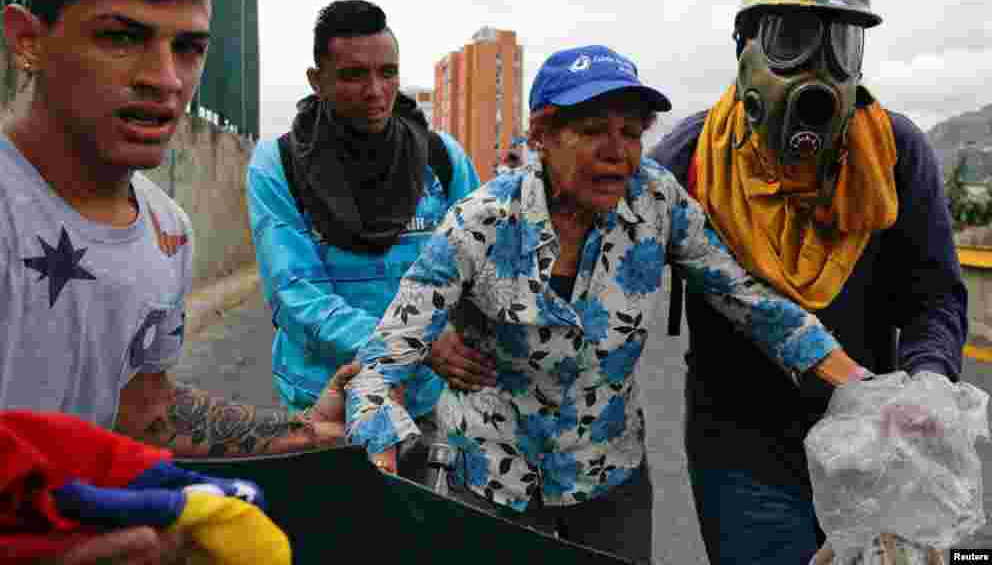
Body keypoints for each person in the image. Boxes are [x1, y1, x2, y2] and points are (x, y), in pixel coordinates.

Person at [344, 45, 875, 565]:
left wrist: (861, 384)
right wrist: (384, 450)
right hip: (490, 476)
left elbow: (744, 296)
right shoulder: (479, 222)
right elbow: (383, 358)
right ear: (543, 136)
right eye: (593, 130)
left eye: (631, 132)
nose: (617, 150)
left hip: (607, 478)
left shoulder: (656, 201)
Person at [0, 0, 357, 563]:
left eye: (189, 47)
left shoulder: (165, 230)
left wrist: (302, 432)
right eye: (121, 37)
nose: (165, 79)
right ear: (27, 39)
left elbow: (142, 412)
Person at [650, 0, 967, 564]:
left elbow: (935, 294)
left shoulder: (896, 155)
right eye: (791, 40)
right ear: (743, 50)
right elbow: (594, 259)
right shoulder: (688, 163)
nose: (818, 71)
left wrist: (928, 383)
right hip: (741, 451)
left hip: (873, 446)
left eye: (841, 45)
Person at [246, 0, 481, 480]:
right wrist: (413, 343)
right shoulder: (279, 165)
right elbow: (294, 295)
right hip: (323, 407)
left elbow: (479, 267)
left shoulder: (442, 159)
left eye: (388, 72)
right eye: (353, 75)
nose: (376, 91)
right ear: (317, 80)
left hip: (422, 403)